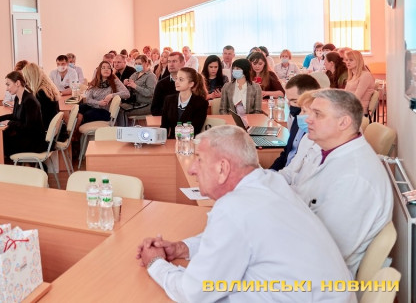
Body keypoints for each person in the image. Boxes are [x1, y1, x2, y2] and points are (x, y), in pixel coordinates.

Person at [137, 125, 354, 302]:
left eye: (200, 159)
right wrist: (182, 248)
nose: (192, 168)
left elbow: (193, 293)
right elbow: (235, 239)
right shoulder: (271, 183)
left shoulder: (234, 208)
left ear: (222, 168)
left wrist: (155, 263)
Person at [280, 89, 393, 275]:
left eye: (317, 114)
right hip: (303, 251)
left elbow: (326, 250)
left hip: (318, 275)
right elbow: (301, 194)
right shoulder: (327, 151)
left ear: (343, 122)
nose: (308, 119)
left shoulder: (355, 177)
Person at [269, 74, 320, 171]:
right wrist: (270, 172)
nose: (290, 105)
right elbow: (286, 153)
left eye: (295, 101)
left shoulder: (316, 133)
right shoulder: (297, 119)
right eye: (288, 100)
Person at [0, 71, 46, 157]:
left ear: (17, 83)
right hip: (26, 138)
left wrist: (9, 122)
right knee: (2, 138)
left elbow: (28, 126)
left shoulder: (29, 100)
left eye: (8, 85)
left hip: (34, 142)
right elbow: (14, 116)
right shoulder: (17, 98)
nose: (7, 89)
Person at [160, 67, 208, 138]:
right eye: (176, 78)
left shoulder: (201, 103)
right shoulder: (169, 100)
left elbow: (196, 129)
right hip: (172, 141)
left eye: (181, 79)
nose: (176, 82)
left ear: (191, 84)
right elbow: (164, 126)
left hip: (190, 141)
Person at [21, 62, 60, 130]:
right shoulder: (48, 88)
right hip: (52, 129)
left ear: (30, 77)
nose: (25, 81)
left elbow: (35, 119)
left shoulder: (40, 93)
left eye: (25, 77)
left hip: (45, 129)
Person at [150, 52, 185, 116]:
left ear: (183, 63)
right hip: (167, 119)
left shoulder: (190, 82)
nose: (171, 64)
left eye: (174, 61)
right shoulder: (161, 84)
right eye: (169, 61)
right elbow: (154, 109)